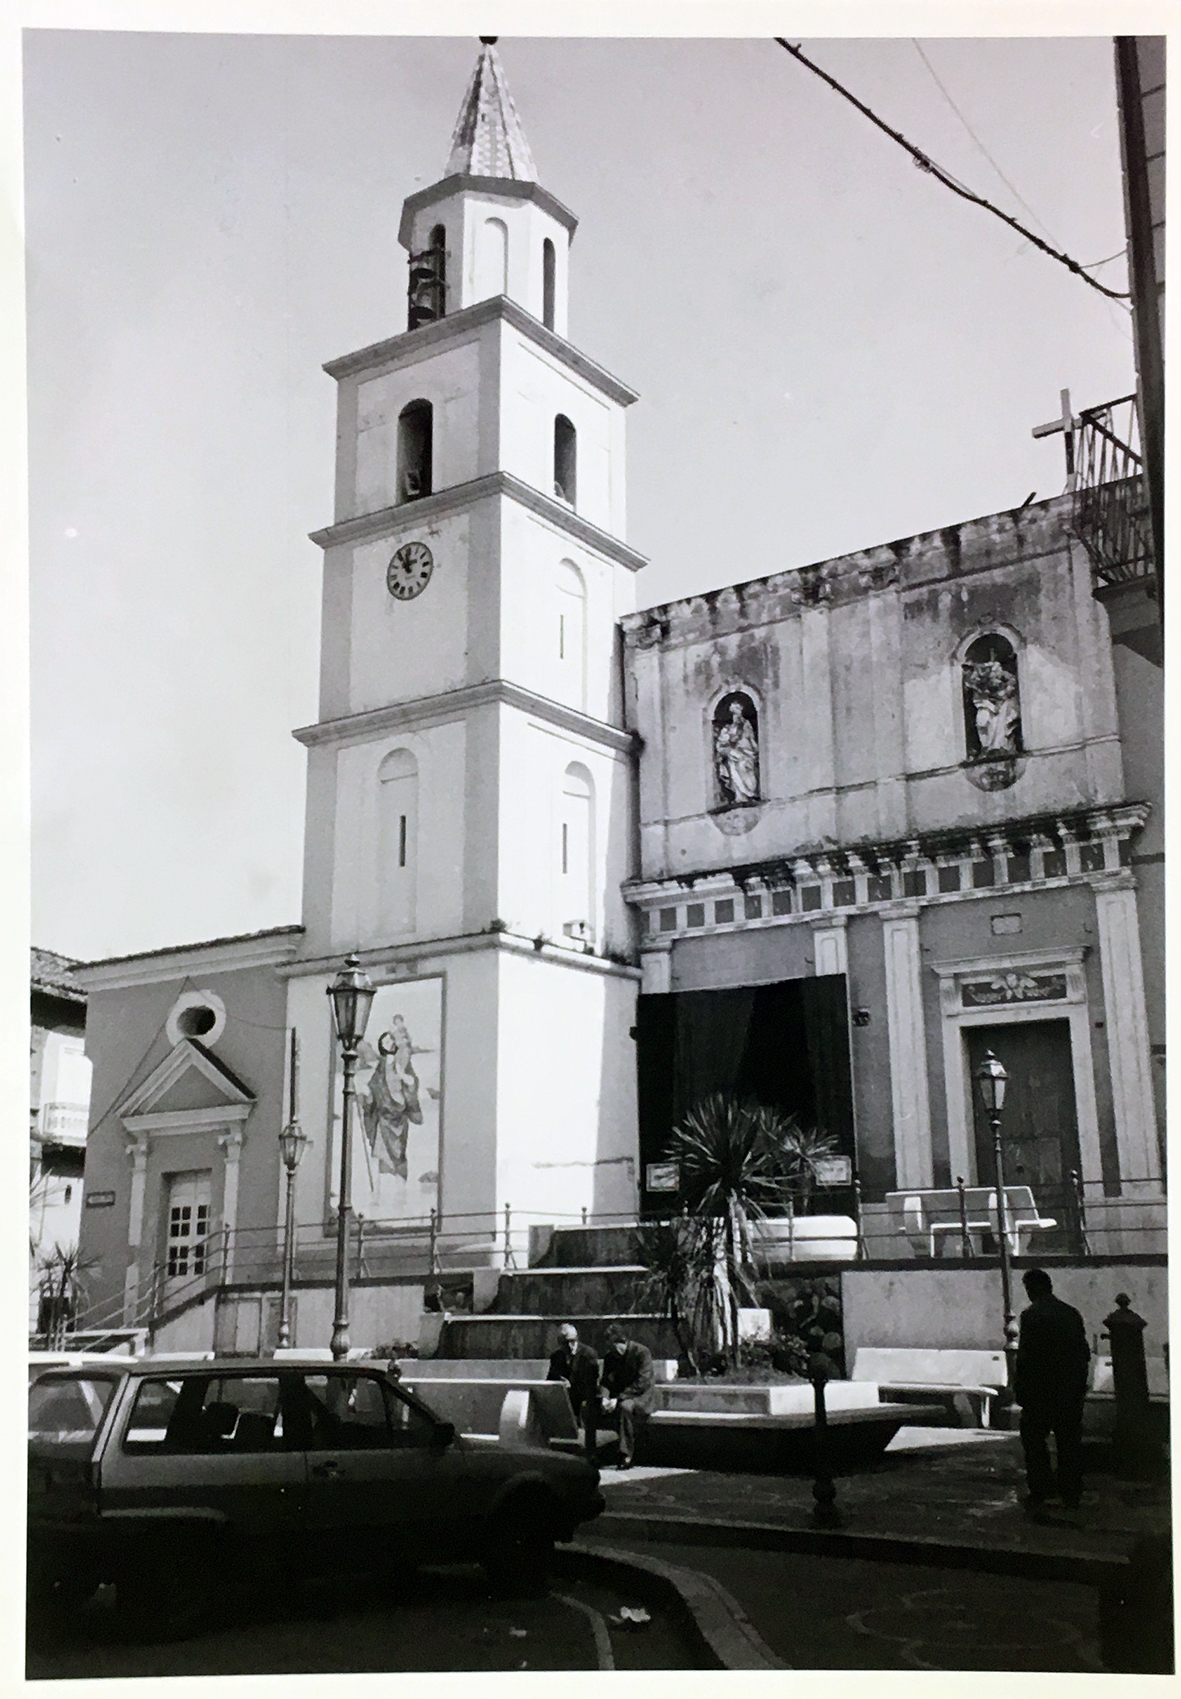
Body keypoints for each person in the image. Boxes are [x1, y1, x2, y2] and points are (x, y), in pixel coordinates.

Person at [1013, 1267, 1091, 1512]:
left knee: (1034, 1440)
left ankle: (1042, 1488)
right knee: (1069, 1441)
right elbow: (1083, 1353)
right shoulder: (1070, 1313)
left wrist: (1021, 1389)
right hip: (1068, 1389)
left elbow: (1026, 1357)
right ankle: (1071, 1490)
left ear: (1031, 1289)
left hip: (1041, 1390)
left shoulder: (1031, 1316)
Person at [597, 1324, 658, 1469]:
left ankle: (626, 1454)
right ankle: (594, 1450)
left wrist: (617, 1399)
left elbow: (642, 1382)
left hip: (642, 1396)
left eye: (614, 1345)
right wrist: (604, 1397)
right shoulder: (610, 1357)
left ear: (622, 1342)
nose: (613, 1350)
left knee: (625, 1407)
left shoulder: (642, 1352)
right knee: (591, 1406)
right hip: (620, 1395)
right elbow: (605, 1381)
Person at [546, 1323, 600, 1460]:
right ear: (560, 1342)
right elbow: (550, 1379)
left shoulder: (588, 1354)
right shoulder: (556, 1357)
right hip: (566, 1396)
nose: (570, 1346)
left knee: (587, 1409)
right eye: (566, 1343)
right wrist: (560, 1381)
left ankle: (589, 1453)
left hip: (586, 1395)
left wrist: (574, 1385)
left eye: (572, 1341)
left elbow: (592, 1382)